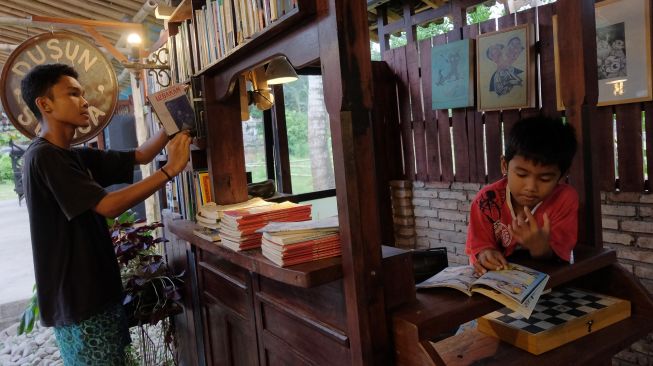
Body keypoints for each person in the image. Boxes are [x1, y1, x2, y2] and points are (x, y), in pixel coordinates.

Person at [20, 63, 191, 365]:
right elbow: (108, 205)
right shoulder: (44, 156)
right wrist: (169, 170)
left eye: (83, 94)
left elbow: (140, 155)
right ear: (44, 104)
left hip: (98, 295)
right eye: (73, 94)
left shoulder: (71, 154)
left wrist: (173, 115)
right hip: (81, 303)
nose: (84, 102)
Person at [465, 116, 578, 276]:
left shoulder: (564, 199)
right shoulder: (487, 200)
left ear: (561, 176)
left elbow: (560, 256)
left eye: (545, 178)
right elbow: (479, 247)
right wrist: (486, 254)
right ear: (505, 165)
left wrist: (540, 248)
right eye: (521, 174)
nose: (531, 187)